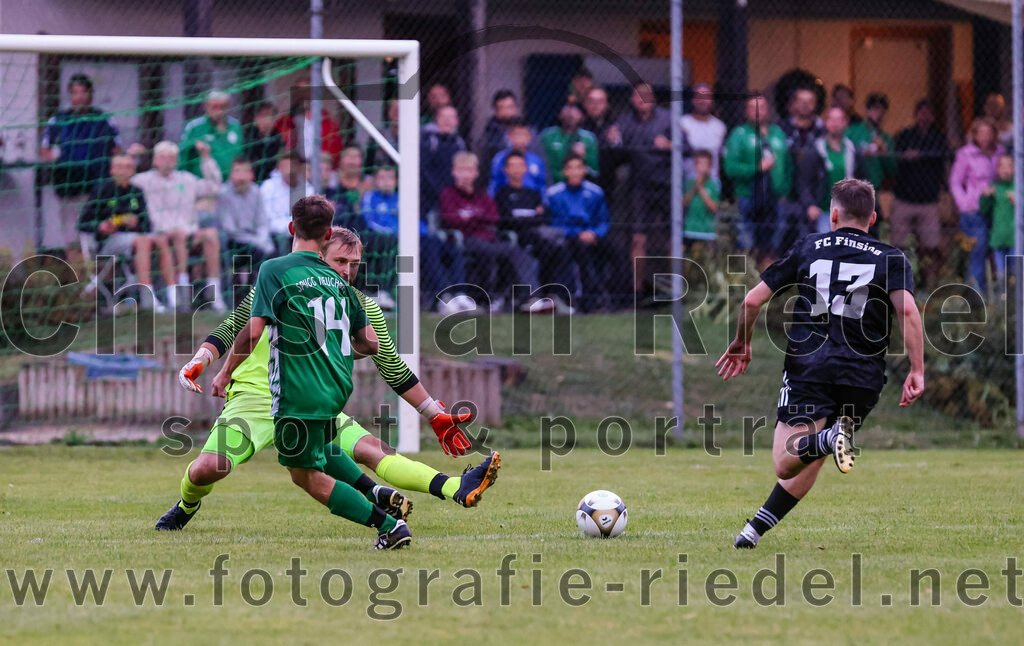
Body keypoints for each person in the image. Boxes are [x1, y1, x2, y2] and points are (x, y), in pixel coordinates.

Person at [158, 225, 499, 534]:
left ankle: (454, 487)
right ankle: (188, 504)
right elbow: (232, 328)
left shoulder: (363, 307)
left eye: (354, 263)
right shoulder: (279, 281)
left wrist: (433, 413)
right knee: (208, 469)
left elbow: (392, 367)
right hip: (253, 399)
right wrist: (201, 360)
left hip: (309, 399)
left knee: (371, 449)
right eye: (340, 260)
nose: (347, 270)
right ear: (319, 254)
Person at [717, 179, 924, 550]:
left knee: (786, 459)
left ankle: (829, 437)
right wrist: (917, 369)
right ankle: (753, 531)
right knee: (813, 453)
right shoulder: (892, 257)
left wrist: (741, 342)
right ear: (872, 218)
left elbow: (751, 301)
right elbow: (907, 310)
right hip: (863, 377)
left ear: (833, 215)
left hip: (810, 367)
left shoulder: (809, 246)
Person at [200, 196, 412, 548]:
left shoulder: (275, 269)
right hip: (336, 389)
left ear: (290, 228)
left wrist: (224, 373)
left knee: (304, 475)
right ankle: (374, 490)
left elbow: (252, 332)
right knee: (322, 447)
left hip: (298, 392)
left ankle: (388, 526)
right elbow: (371, 344)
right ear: (328, 234)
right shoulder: (340, 281)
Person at [130, 140, 226, 313]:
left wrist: (206, 159)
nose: (167, 161)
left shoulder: (187, 179)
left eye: (171, 157)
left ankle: (215, 294)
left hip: (189, 234)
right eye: (163, 157)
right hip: (161, 236)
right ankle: (181, 289)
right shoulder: (143, 180)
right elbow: (123, 179)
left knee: (211, 234)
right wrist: (131, 157)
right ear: (155, 160)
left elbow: (214, 187)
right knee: (178, 234)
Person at [440, 152, 542, 312]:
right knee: (503, 252)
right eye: (462, 170)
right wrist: (478, 220)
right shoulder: (448, 194)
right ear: (454, 172)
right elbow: (451, 220)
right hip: (465, 239)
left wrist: (471, 218)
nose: (466, 175)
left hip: (489, 239)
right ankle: (500, 298)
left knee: (516, 252)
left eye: (469, 170)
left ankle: (530, 298)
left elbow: (494, 218)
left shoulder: (482, 195)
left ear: (476, 173)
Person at [78, 154, 174, 312]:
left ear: (133, 171)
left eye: (128, 167)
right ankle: (147, 298)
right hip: (107, 242)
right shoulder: (102, 190)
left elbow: (146, 224)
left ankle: (174, 296)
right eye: (120, 167)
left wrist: (136, 223)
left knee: (161, 239)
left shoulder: (137, 191)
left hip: (136, 241)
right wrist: (101, 227)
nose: (124, 171)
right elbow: (83, 223)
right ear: (112, 170)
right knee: (143, 241)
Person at [41, 73, 122, 253]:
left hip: (98, 185)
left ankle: (100, 266)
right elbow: (45, 150)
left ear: (91, 95)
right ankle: (77, 267)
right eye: (74, 93)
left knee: (98, 233)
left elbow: (117, 149)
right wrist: (54, 156)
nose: (79, 97)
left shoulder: (104, 119)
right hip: (70, 185)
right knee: (71, 232)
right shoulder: (58, 120)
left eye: (83, 92)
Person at [610, 81, 672, 294]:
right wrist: (613, 140)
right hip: (639, 187)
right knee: (638, 239)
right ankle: (636, 292)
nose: (642, 99)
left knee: (673, 238)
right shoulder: (625, 121)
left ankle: (675, 290)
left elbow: (688, 149)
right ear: (632, 99)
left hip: (666, 185)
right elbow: (616, 149)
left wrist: (669, 145)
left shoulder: (668, 118)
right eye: (638, 95)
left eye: (646, 94)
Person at [723, 94, 791, 264]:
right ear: (746, 111)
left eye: (761, 107)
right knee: (747, 241)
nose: (757, 111)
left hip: (776, 198)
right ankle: (746, 275)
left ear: (768, 110)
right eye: (753, 108)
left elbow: (788, 165)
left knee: (774, 242)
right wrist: (756, 168)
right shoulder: (739, 134)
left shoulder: (778, 133)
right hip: (747, 196)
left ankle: (768, 274)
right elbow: (730, 168)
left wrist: (785, 190)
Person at [494, 151, 563, 314]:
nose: (517, 169)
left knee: (558, 249)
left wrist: (526, 218)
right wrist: (532, 217)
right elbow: (506, 221)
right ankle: (531, 298)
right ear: (505, 170)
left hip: (535, 237)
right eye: (512, 166)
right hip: (514, 236)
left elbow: (543, 217)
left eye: (520, 165)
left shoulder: (533, 194)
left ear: (526, 168)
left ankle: (554, 296)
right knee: (526, 251)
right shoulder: (501, 194)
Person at [891, 98, 950, 288]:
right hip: (904, 197)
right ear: (916, 115)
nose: (924, 116)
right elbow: (893, 161)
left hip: (928, 199)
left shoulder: (939, 138)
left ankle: (929, 284)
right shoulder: (905, 136)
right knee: (898, 244)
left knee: (931, 246)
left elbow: (944, 164)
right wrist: (905, 157)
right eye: (921, 112)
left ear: (933, 116)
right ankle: (899, 283)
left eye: (928, 113)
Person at [547, 154, 611, 312]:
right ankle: (583, 298)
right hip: (567, 236)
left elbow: (604, 220)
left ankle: (617, 298)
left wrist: (595, 233)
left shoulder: (596, 192)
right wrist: (577, 233)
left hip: (592, 234)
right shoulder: (554, 194)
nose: (575, 172)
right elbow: (554, 223)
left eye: (578, 168)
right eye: (571, 168)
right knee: (577, 250)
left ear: (584, 170)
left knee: (617, 253)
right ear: (565, 171)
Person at [950, 118, 1004, 291]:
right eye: (981, 133)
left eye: (989, 133)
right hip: (974, 211)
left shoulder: (1000, 151)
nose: (985, 137)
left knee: (998, 250)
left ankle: (1002, 294)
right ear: (974, 135)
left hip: (998, 209)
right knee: (978, 251)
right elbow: (955, 182)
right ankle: (976, 294)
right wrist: (965, 204)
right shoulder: (966, 154)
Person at [797, 107, 864, 239]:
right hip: (823, 211)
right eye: (831, 119)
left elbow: (863, 180)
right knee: (826, 246)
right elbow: (804, 182)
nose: (835, 124)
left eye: (839, 120)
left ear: (845, 123)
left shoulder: (853, 151)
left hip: (848, 212)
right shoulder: (814, 150)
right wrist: (810, 205)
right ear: (826, 123)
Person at [845, 93, 898, 235]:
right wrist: (862, 153)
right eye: (874, 109)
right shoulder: (853, 131)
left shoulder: (886, 138)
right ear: (867, 111)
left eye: (881, 110)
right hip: (851, 191)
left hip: (873, 193)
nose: (877, 114)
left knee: (872, 234)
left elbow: (893, 170)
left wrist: (885, 152)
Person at [216, 157, 273, 283]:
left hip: (256, 239)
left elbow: (263, 221)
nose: (241, 177)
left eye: (245, 171)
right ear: (231, 175)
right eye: (237, 171)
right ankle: (255, 290)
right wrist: (256, 241)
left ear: (251, 175)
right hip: (234, 242)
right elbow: (230, 230)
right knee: (260, 255)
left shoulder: (256, 191)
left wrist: (262, 239)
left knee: (275, 254)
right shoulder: (224, 194)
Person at [274, 80, 343, 166]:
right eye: (299, 91)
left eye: (307, 91)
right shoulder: (283, 122)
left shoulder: (329, 123)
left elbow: (335, 154)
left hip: (321, 168)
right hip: (295, 168)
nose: (303, 95)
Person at [359, 165, 400, 309]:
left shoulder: (401, 198)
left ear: (396, 181)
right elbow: (370, 222)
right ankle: (381, 292)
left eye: (390, 178)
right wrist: (394, 232)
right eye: (382, 178)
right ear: (375, 181)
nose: (386, 182)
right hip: (378, 237)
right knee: (386, 242)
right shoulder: (370, 197)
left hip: (400, 237)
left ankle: (448, 295)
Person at [179, 91, 244, 181]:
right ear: (206, 107)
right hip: (202, 183)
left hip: (230, 184)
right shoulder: (194, 127)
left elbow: (241, 156)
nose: (219, 111)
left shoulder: (235, 126)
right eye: (215, 107)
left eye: (223, 107)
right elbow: (182, 158)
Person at [260, 152, 314, 256]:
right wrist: (291, 227)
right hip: (274, 236)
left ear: (299, 167)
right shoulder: (268, 187)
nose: (289, 170)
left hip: (301, 234)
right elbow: (268, 220)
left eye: (293, 166)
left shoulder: (308, 189)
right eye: (285, 166)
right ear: (279, 168)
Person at [420, 105, 467, 225]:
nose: (447, 120)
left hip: (454, 198)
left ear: (457, 121)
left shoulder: (459, 143)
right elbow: (423, 169)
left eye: (451, 117)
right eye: (443, 117)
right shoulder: (428, 140)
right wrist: (440, 191)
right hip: (430, 198)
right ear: (436, 120)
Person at [541, 104, 599, 184]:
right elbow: (543, 166)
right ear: (559, 114)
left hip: (582, 185)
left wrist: (584, 157)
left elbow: (595, 172)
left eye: (575, 110)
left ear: (583, 117)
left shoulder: (589, 139)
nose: (571, 113)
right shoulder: (547, 135)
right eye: (568, 108)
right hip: (552, 183)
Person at [980, 154, 1016, 286]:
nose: (1006, 170)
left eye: (1009, 166)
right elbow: (984, 209)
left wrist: (1018, 202)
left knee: (1016, 272)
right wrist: (985, 196)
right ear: (998, 169)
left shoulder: (1018, 188)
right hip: (998, 238)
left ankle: (1016, 296)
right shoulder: (995, 188)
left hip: (1015, 239)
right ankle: (1002, 295)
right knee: (1001, 274)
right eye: (1002, 167)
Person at [488, 119, 547, 196]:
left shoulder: (536, 160)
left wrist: (543, 201)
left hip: (531, 199)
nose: (520, 139)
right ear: (509, 136)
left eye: (524, 135)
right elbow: (494, 183)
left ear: (529, 138)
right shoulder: (499, 158)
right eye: (517, 135)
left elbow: (542, 185)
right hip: (506, 198)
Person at [681, 83, 727, 181]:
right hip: (688, 182)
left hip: (712, 182)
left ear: (711, 101)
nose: (702, 100)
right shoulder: (682, 123)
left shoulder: (720, 126)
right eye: (699, 96)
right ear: (693, 100)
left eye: (706, 97)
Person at [683, 149, 720, 247]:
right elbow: (683, 203)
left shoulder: (714, 184)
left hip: (707, 231)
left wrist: (701, 188)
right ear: (695, 166)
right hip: (690, 230)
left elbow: (714, 208)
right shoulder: (689, 183)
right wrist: (694, 189)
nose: (702, 167)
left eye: (705, 164)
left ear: (710, 166)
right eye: (700, 163)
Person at [479, 89, 521, 171]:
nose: (506, 112)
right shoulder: (490, 135)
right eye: (502, 108)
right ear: (495, 111)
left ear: (515, 108)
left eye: (510, 107)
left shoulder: (525, 128)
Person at [326, 147, 366, 231]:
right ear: (341, 161)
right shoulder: (330, 183)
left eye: (356, 156)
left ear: (361, 161)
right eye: (348, 155)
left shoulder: (369, 185)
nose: (352, 159)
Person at [243, 101, 282, 184]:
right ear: (255, 119)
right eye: (262, 116)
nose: (266, 120)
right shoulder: (248, 139)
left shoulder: (278, 139)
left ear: (275, 120)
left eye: (269, 116)